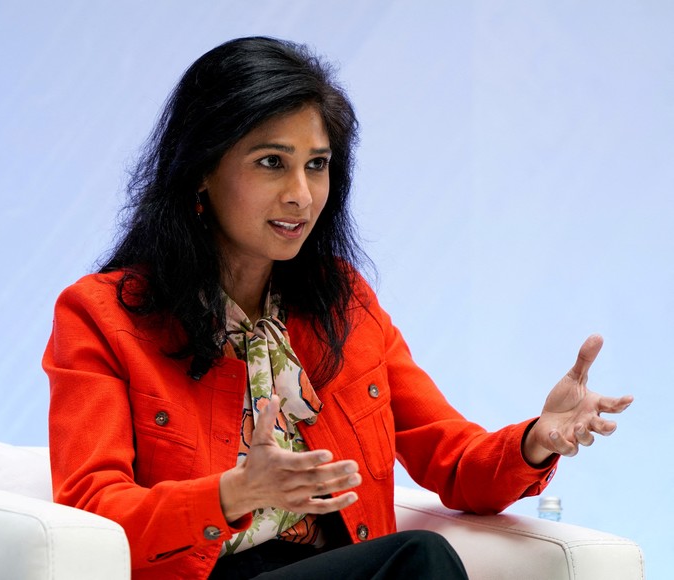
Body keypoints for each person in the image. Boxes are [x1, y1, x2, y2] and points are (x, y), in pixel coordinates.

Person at [43, 36, 633, 579]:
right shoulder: (100, 315)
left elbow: (450, 456)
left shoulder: (345, 303)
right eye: (272, 162)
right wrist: (234, 493)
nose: (301, 193)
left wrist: (536, 438)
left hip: (339, 569)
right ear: (201, 171)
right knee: (419, 558)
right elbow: (92, 514)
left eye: (317, 165)